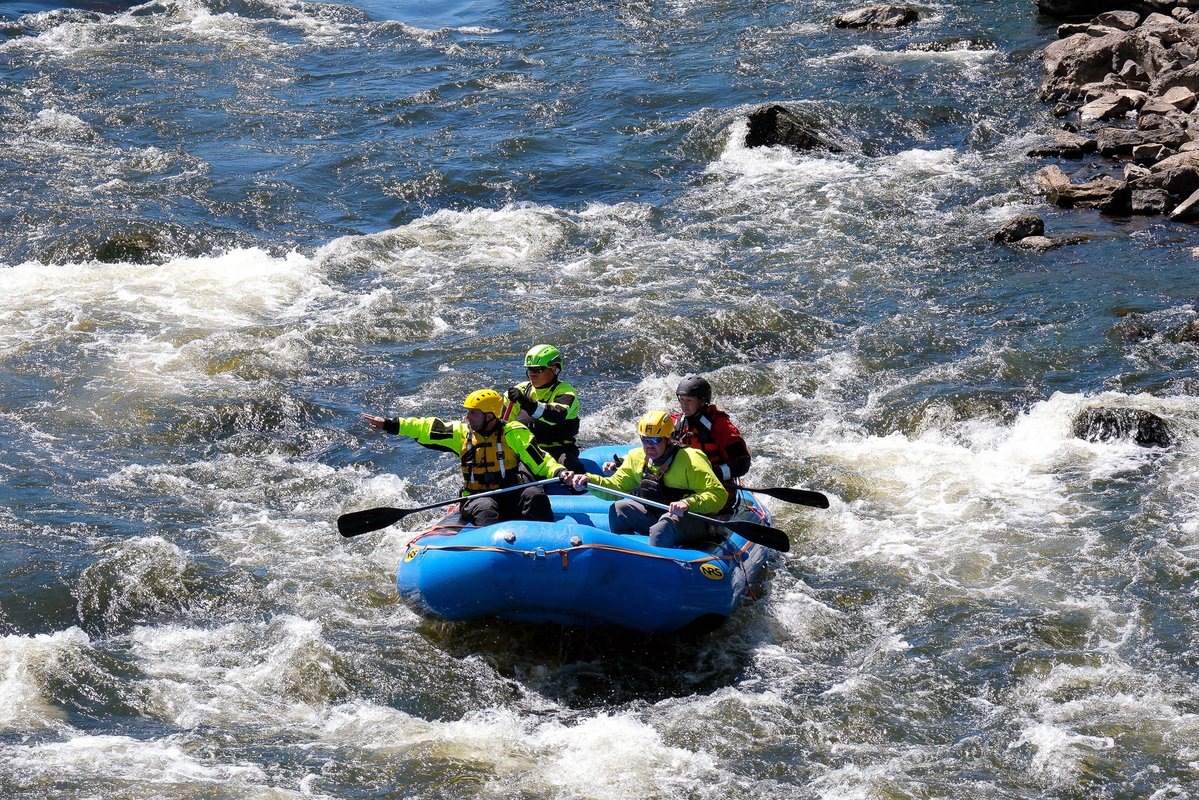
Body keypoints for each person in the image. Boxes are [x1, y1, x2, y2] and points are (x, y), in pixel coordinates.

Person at [363, 389, 564, 528]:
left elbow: (542, 460)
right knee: (486, 508)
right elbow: (425, 427)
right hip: (477, 498)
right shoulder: (461, 434)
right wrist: (390, 425)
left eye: (473, 413)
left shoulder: (513, 433)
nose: (467, 417)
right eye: (467, 412)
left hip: (511, 493)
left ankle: (546, 546)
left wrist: (560, 472)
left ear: (490, 416)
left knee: (534, 494)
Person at [560, 410, 728, 549]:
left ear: (668, 439)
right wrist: (589, 481)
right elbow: (616, 487)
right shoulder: (637, 457)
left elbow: (718, 495)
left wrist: (689, 503)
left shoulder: (691, 460)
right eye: (644, 439)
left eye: (655, 440)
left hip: (692, 520)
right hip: (657, 515)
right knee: (619, 509)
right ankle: (622, 556)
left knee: (662, 528)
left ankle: (656, 568)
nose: (648, 445)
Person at [672, 375, 751, 513]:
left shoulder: (721, 426)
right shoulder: (676, 422)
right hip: (686, 490)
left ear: (703, 401)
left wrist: (714, 474)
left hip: (716, 492)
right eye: (682, 400)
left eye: (689, 400)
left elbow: (742, 464)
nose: (684, 405)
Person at [502, 344, 584, 473]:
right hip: (529, 451)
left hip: (560, 450)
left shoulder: (566, 392)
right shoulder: (520, 390)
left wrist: (525, 402)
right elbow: (505, 425)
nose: (532, 374)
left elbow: (555, 416)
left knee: (574, 471)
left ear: (554, 369)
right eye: (530, 369)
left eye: (538, 369)